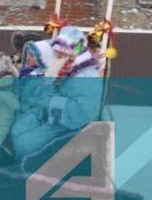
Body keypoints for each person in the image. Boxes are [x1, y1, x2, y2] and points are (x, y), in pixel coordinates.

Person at [8, 25, 103, 168]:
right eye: (58, 53)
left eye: (63, 53)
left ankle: (25, 172)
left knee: (26, 141)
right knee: (18, 129)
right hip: (55, 118)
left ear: (74, 52)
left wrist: (46, 103)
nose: (59, 56)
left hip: (68, 125)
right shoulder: (65, 70)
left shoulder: (84, 75)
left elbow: (83, 111)